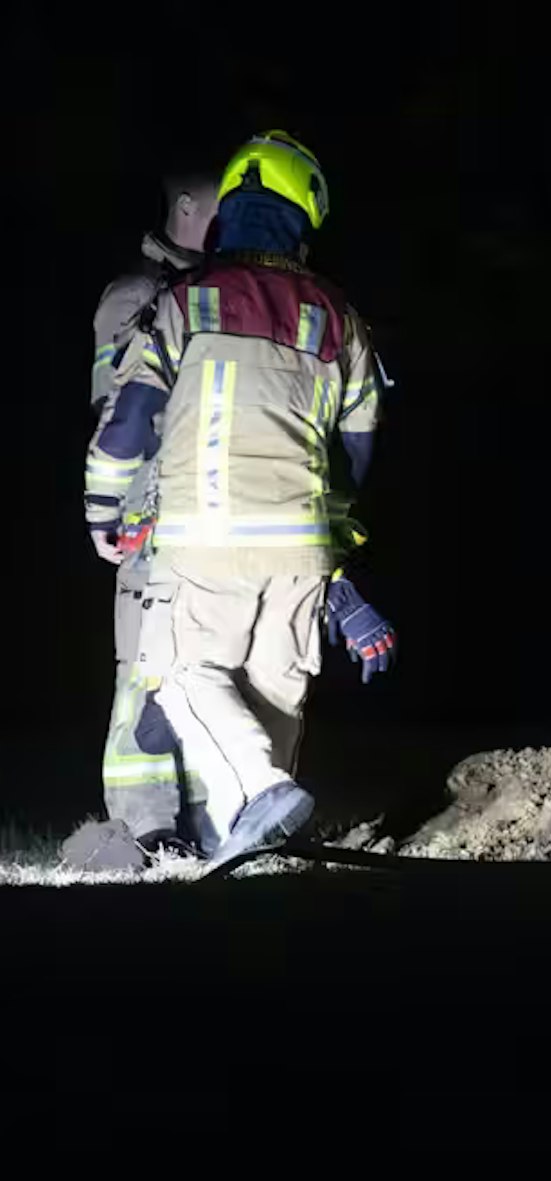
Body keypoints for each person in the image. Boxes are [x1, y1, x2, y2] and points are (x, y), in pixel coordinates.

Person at [84, 130, 397, 870]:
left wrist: (103, 509)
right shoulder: (341, 317)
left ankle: (260, 792)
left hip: (203, 540)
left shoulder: (184, 302)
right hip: (300, 550)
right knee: (273, 694)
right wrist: (335, 565)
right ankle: (252, 852)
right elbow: (354, 455)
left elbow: (127, 421)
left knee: (176, 675)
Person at [82, 167, 220, 858]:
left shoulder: (218, 287)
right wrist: (119, 505)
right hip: (154, 511)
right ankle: (144, 824)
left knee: (206, 661)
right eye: (224, 196)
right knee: (144, 662)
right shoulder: (136, 295)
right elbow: (118, 411)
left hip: (210, 509)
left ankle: (205, 820)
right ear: (188, 204)